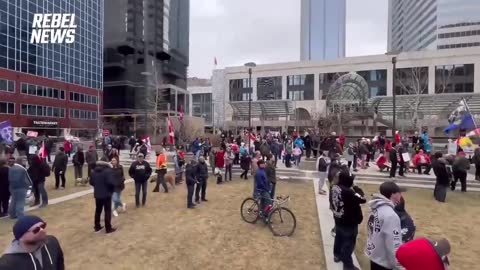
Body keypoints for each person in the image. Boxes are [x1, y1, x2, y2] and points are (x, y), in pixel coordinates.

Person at [0, 215, 64, 269]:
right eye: (36, 229)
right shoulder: (6, 264)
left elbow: (60, 265)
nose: (42, 230)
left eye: (43, 226)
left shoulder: (52, 243)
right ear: (21, 237)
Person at [331, 172, 366, 270]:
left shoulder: (334, 187)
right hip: (349, 222)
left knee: (339, 238)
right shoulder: (349, 192)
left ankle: (337, 255)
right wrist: (356, 187)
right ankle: (348, 265)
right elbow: (363, 199)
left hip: (338, 218)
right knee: (348, 244)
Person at [365, 181, 403, 270]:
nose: (401, 195)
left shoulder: (375, 208)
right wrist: (398, 265)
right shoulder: (391, 215)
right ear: (393, 194)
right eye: (399, 193)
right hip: (384, 261)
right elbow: (393, 243)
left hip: (374, 255)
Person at [90, 159, 116, 234]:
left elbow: (91, 182)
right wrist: (111, 190)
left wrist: (97, 187)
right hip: (106, 194)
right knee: (107, 211)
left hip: (97, 194)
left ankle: (97, 226)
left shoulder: (93, 171)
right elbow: (110, 182)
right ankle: (108, 228)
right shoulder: (108, 171)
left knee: (98, 210)